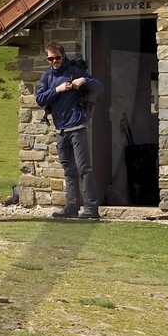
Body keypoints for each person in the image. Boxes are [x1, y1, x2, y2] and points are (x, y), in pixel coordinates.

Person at [37, 42, 102, 219]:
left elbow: (99, 87)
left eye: (57, 57)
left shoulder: (74, 71)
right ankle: (71, 207)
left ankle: (91, 209)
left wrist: (85, 80)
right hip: (60, 130)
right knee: (69, 170)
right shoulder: (47, 76)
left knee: (84, 168)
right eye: (50, 58)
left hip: (77, 127)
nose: (54, 61)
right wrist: (57, 90)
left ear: (63, 56)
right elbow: (40, 99)